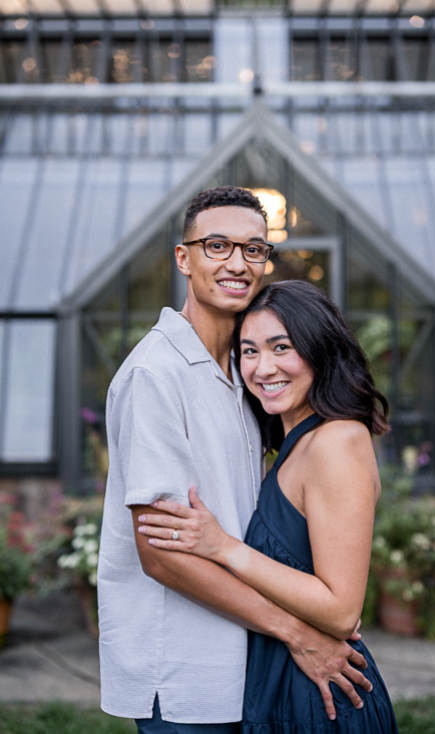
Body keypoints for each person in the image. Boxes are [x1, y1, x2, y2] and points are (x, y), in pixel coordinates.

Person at [98, 187, 372, 733]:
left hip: (243, 662)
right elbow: (163, 555)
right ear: (184, 258)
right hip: (183, 669)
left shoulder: (240, 373)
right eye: (217, 245)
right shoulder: (157, 375)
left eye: (253, 249)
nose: (237, 263)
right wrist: (297, 631)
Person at [134, 280, 399, 733]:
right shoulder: (293, 444)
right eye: (249, 351)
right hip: (284, 682)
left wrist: (223, 547)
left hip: (321, 701)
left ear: (320, 350)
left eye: (281, 347)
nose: (262, 367)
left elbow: (341, 610)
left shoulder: (337, 440)